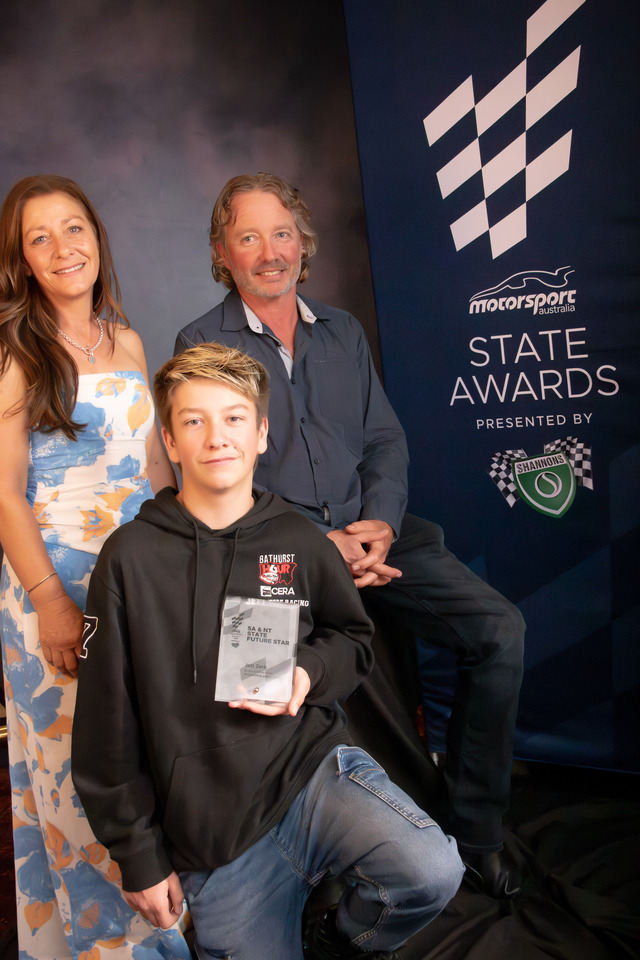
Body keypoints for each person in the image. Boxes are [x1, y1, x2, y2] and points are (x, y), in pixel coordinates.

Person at [175, 172, 527, 899]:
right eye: (249, 237)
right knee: (253, 683)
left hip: (375, 534)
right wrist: (317, 544)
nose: (270, 252)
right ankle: (273, 873)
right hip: (271, 553)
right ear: (222, 253)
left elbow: (385, 441)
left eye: (282, 234)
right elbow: (214, 479)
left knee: (500, 631)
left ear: (303, 245)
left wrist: (382, 525)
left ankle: (474, 833)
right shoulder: (200, 341)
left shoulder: (342, 331)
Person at [71, 343, 464, 960]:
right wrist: (139, 856)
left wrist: (307, 672)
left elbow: (352, 637)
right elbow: (104, 726)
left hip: (309, 775)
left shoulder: (298, 539)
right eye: (193, 421)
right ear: (169, 441)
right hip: (212, 833)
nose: (216, 437)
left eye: (234, 418)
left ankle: (336, 939)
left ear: (260, 434)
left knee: (433, 869)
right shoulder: (128, 558)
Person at [0, 175, 191, 959]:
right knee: (80, 783)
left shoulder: (129, 341)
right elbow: (3, 493)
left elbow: (157, 473)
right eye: (39, 238)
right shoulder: (14, 351)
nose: (62, 248)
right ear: (21, 260)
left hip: (135, 583)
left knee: (143, 769)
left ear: (97, 237)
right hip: (56, 583)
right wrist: (50, 600)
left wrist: (189, 561)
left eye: (73, 228)